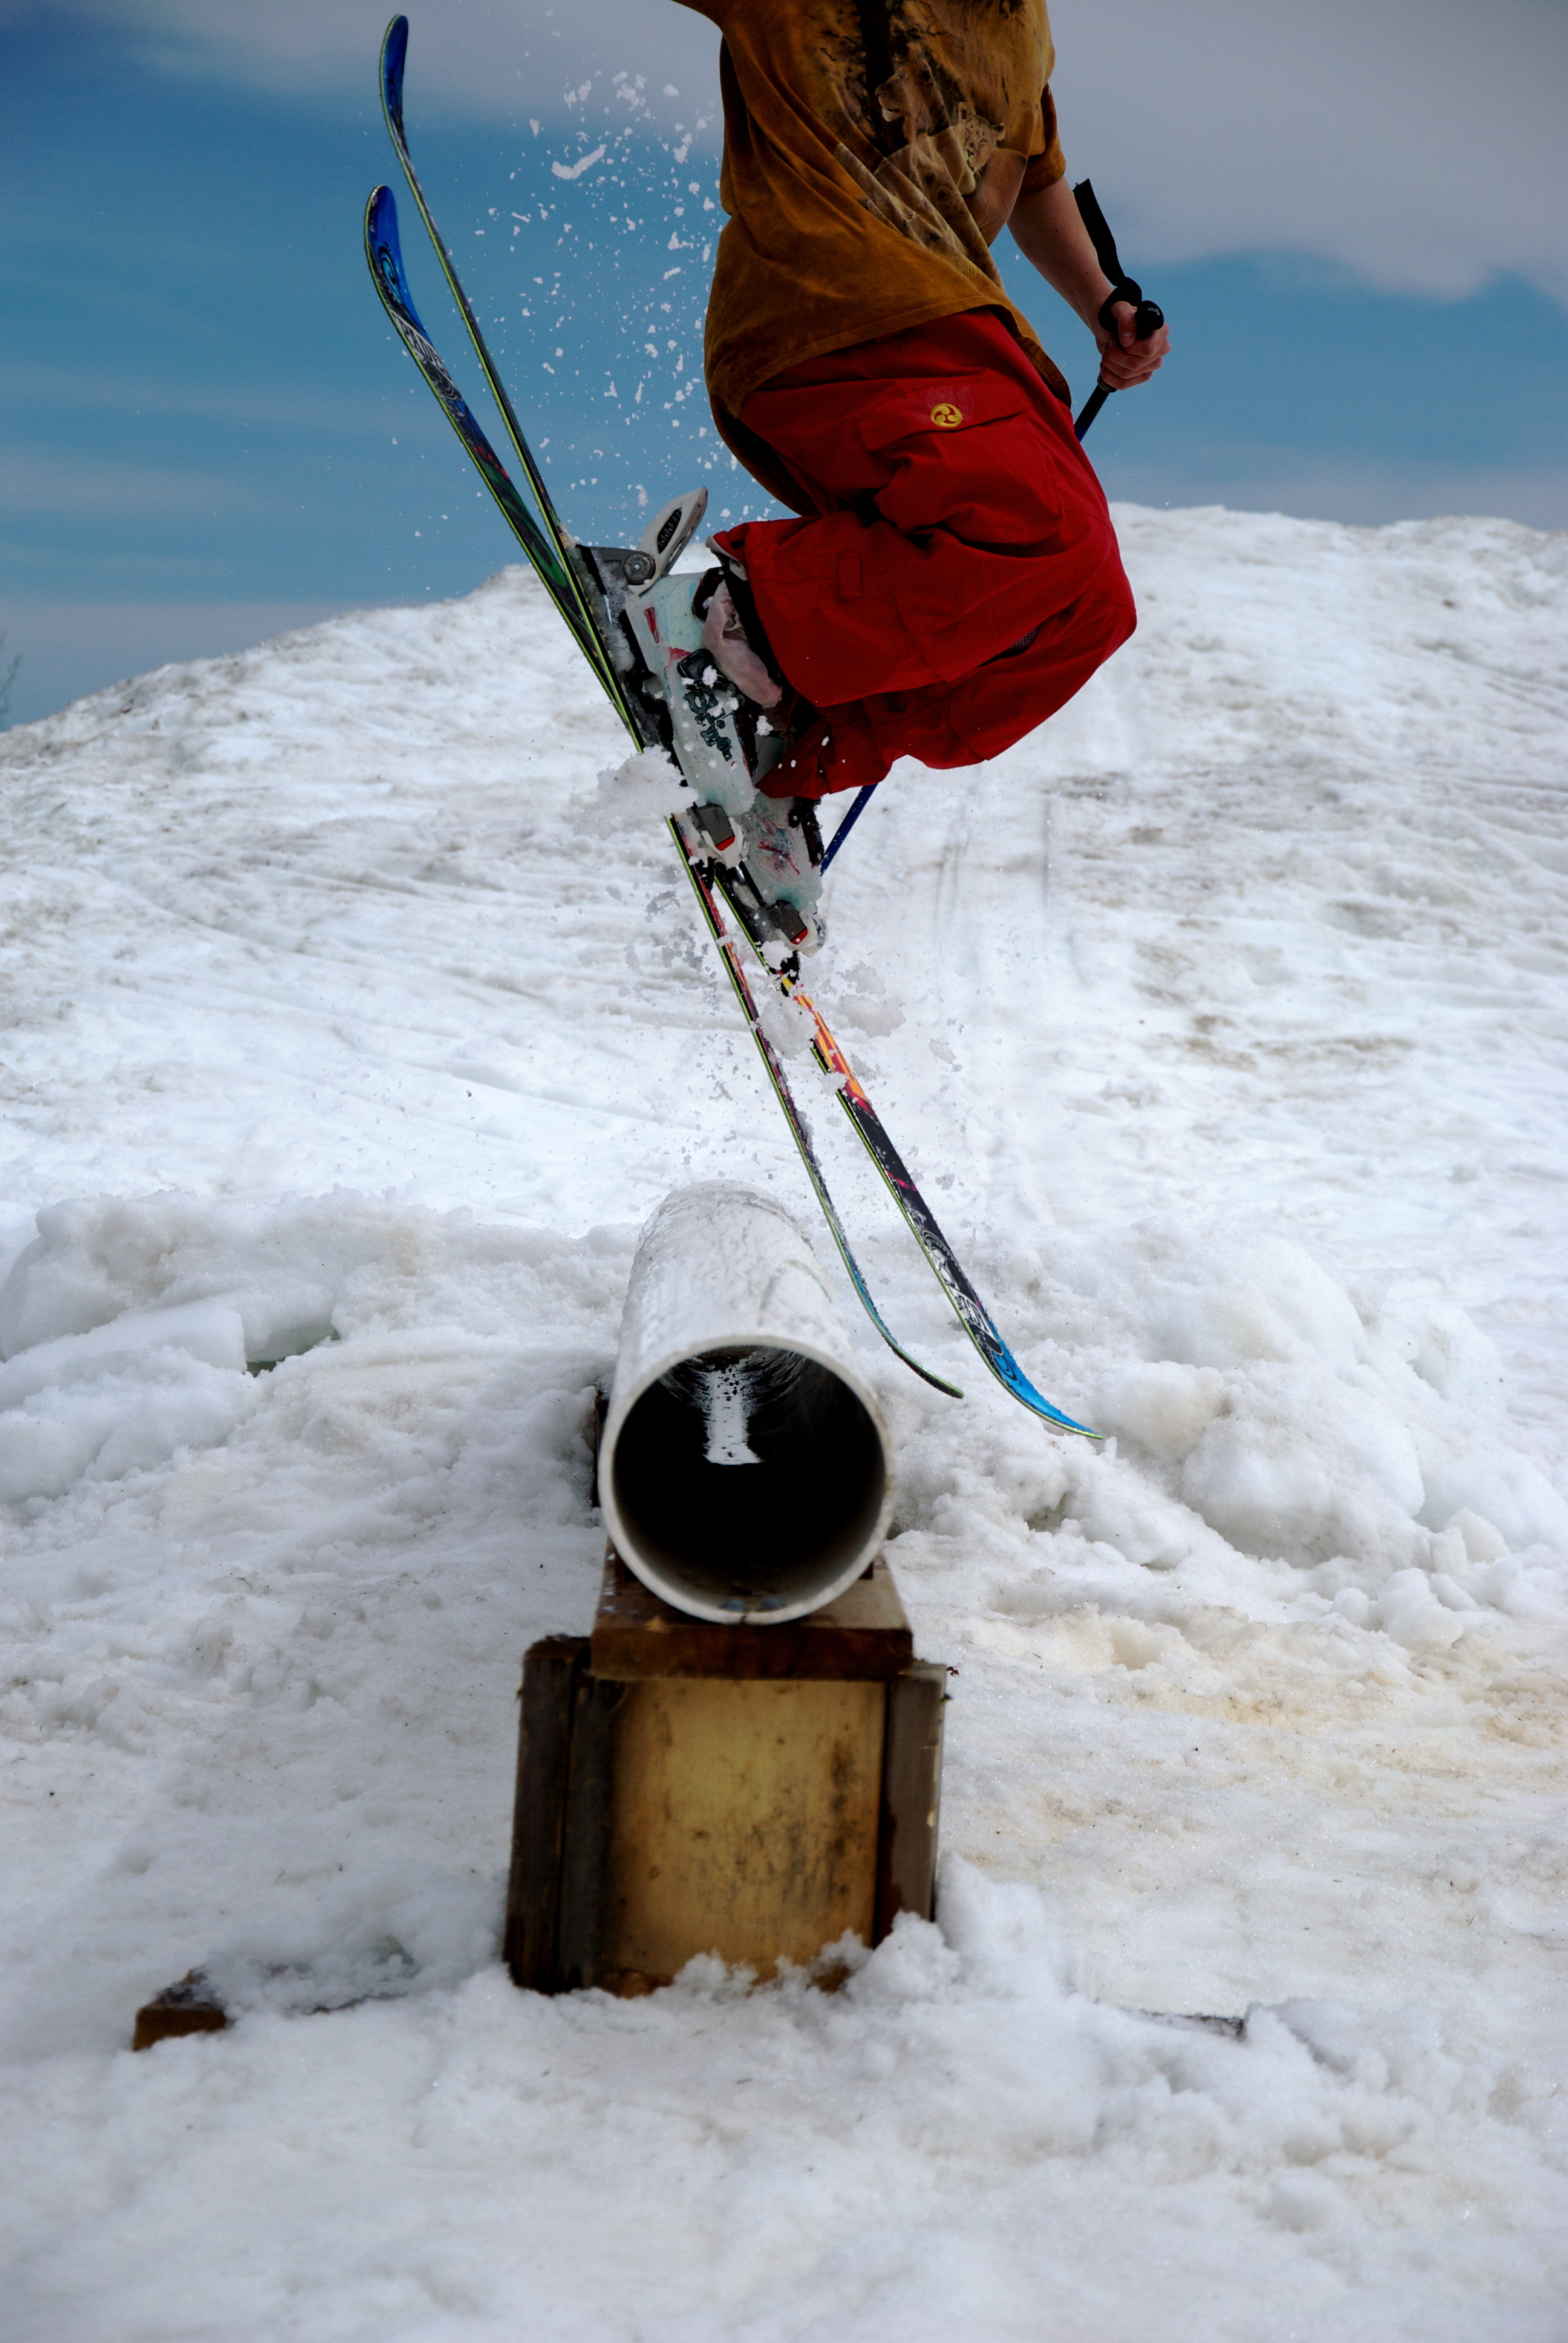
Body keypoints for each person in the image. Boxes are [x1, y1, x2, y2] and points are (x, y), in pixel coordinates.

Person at [670, 0, 1169, 824]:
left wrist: (1102, 299)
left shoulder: (1022, 25)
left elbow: (1032, 169)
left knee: (1087, 607)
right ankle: (726, 622)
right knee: (1042, 529)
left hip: (962, 332)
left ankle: (784, 745)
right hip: (836, 300)